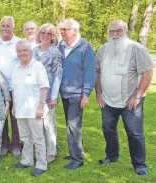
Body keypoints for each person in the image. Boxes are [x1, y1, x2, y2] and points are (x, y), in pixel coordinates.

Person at [95, 20, 154, 176]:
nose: (115, 34)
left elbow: (147, 72)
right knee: (108, 130)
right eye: (111, 31)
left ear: (125, 31)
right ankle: (112, 156)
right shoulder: (103, 50)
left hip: (131, 102)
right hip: (107, 101)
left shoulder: (136, 49)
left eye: (118, 31)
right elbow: (98, 72)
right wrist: (99, 93)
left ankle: (140, 165)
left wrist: (137, 96)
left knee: (135, 134)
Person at [58, 18, 96, 170]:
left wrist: (85, 94)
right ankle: (74, 152)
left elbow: (90, 72)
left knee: (74, 126)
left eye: (64, 29)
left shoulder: (85, 47)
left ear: (74, 30)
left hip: (77, 93)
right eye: (61, 29)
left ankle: (77, 160)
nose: (61, 32)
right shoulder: (61, 46)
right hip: (64, 92)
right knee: (70, 124)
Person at [11, 40, 49, 177]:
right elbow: (14, 89)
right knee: (25, 137)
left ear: (30, 52)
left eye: (24, 50)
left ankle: (41, 165)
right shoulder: (16, 68)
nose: (22, 53)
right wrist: (14, 106)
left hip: (34, 109)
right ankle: (27, 161)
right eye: (19, 51)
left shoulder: (37, 66)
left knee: (38, 137)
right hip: (20, 109)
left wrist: (41, 106)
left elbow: (44, 87)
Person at [0, 16, 22, 157]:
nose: (5, 28)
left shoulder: (19, 42)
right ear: (0, 27)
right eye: (3, 25)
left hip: (16, 87)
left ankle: (16, 145)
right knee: (1, 117)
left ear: (13, 27)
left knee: (15, 116)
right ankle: (4, 144)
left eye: (8, 25)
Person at [32, 23, 63, 163]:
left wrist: (54, 96)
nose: (45, 35)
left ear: (53, 36)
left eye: (49, 33)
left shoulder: (55, 52)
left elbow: (58, 74)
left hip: (49, 93)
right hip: (34, 93)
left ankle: (51, 152)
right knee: (38, 123)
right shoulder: (34, 50)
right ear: (39, 34)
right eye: (43, 32)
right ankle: (41, 148)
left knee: (48, 124)